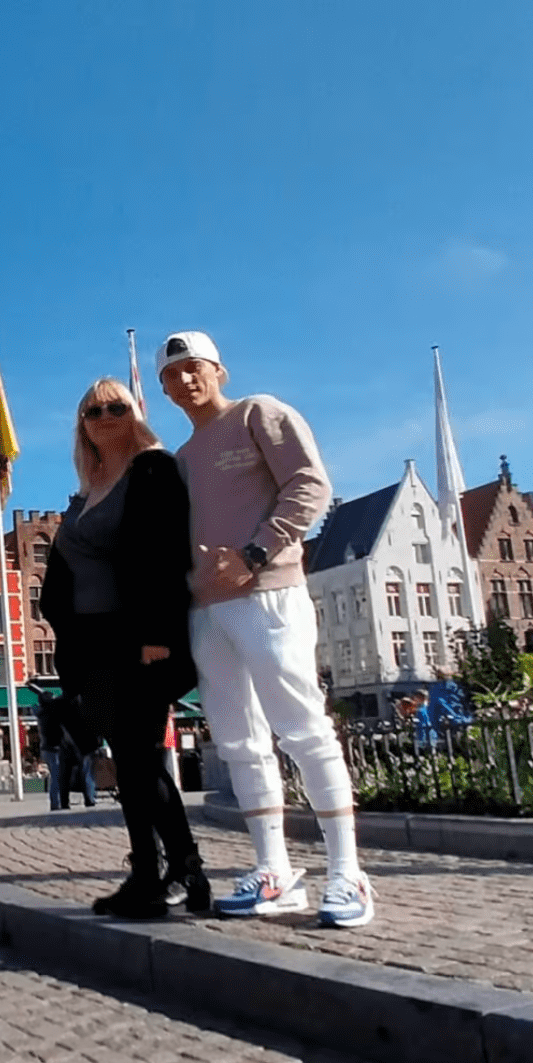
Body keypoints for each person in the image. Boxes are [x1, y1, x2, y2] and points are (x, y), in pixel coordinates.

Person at [159, 330, 374, 928]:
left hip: (268, 593)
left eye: (193, 367)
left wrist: (254, 554)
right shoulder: (181, 460)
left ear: (218, 370)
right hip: (208, 611)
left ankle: (347, 873)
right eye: (172, 374)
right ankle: (273, 868)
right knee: (239, 741)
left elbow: (310, 484)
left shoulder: (260, 413)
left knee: (303, 728)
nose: (184, 380)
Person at [39, 377, 208, 918]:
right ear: (82, 425)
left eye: (117, 406)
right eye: (93, 410)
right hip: (91, 644)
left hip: (136, 638)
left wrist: (158, 636)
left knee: (138, 764)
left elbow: (165, 553)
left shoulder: (153, 469)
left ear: (135, 413)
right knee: (134, 764)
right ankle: (171, 871)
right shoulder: (87, 488)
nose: (105, 415)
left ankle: (165, 873)